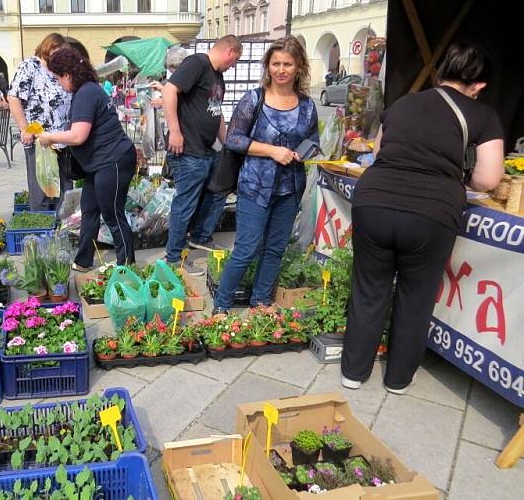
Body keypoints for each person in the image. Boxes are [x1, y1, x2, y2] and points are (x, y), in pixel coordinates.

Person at [341, 41, 504, 395]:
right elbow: (489, 179)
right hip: (431, 213)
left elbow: (381, 152)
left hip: (375, 202)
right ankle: (398, 379)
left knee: (369, 288)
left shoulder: (405, 102)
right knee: (416, 295)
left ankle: (353, 373)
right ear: (479, 85)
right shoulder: (483, 116)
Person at [213, 37, 319, 313]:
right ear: (268, 66)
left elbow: (314, 140)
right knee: (246, 249)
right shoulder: (254, 99)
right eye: (276, 64)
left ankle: (260, 301)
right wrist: (272, 151)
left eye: (287, 64)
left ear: (298, 67)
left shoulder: (307, 106)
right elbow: (234, 139)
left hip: (290, 188)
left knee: (275, 249)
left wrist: (304, 153)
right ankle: (221, 305)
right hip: (255, 187)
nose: (281, 69)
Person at [38, 47, 137, 270]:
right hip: (99, 163)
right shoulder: (88, 90)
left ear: (68, 74)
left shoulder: (86, 93)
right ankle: (83, 260)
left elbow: (78, 135)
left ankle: (127, 266)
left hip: (113, 161)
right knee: (90, 209)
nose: (58, 83)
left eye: (58, 78)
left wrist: (49, 137)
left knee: (112, 214)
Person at [161, 35, 242, 274]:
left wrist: (227, 144)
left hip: (206, 150)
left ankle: (201, 236)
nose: (233, 66)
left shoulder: (218, 77)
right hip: (187, 150)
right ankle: (173, 258)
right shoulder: (197, 63)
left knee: (219, 190)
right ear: (229, 51)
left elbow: (216, 114)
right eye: (235, 61)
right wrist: (175, 131)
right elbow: (169, 91)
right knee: (185, 203)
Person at [8, 32, 73, 211]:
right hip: (39, 140)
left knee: (65, 190)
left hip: (62, 139)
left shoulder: (61, 71)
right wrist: (25, 129)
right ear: (47, 48)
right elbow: (14, 98)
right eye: (56, 52)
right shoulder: (30, 67)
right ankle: (42, 231)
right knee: (42, 189)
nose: (59, 57)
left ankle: (65, 228)